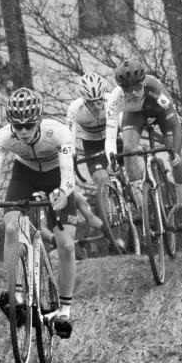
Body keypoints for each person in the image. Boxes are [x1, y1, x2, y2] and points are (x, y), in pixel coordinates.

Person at [0, 88, 78, 339]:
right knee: (11, 227)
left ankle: (64, 311)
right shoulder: (3, 137)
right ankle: (16, 293)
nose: (23, 132)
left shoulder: (59, 132)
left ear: (39, 120)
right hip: (25, 176)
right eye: (17, 127)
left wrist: (62, 193)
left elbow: (68, 176)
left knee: (66, 246)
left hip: (56, 177)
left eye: (29, 126)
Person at [105, 59, 182, 232]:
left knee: (177, 153)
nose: (134, 93)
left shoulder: (156, 90)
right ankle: (141, 206)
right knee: (128, 150)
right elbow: (110, 137)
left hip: (159, 112)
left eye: (137, 87)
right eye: (129, 89)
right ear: (122, 89)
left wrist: (173, 152)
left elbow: (175, 126)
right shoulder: (115, 100)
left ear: (143, 82)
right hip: (135, 115)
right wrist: (111, 161)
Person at [65, 72, 118, 248]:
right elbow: (69, 138)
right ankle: (113, 221)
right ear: (84, 100)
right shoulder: (75, 109)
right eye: (91, 101)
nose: (96, 105)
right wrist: (71, 158)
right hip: (92, 143)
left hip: (114, 137)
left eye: (98, 100)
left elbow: (125, 125)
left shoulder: (111, 100)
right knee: (101, 180)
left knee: (132, 170)